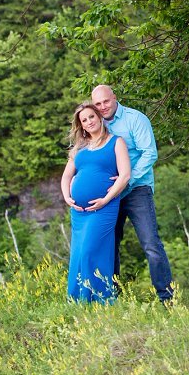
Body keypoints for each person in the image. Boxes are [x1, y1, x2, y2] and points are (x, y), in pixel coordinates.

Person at [90, 85, 174, 303]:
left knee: (150, 244)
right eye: (97, 104)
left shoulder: (135, 119)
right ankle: (113, 296)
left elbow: (150, 153)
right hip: (108, 195)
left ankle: (167, 298)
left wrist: (126, 179)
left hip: (137, 189)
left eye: (106, 102)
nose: (102, 107)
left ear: (115, 98)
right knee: (110, 245)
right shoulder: (95, 124)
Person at [60, 102, 130, 303]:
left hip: (104, 208)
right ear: (81, 125)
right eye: (84, 120)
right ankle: (77, 300)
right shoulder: (79, 149)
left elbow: (124, 175)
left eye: (91, 116)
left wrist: (105, 200)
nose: (89, 121)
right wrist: (67, 197)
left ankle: (101, 299)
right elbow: (66, 176)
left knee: (91, 250)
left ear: (100, 117)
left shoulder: (116, 142)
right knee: (79, 254)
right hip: (79, 212)